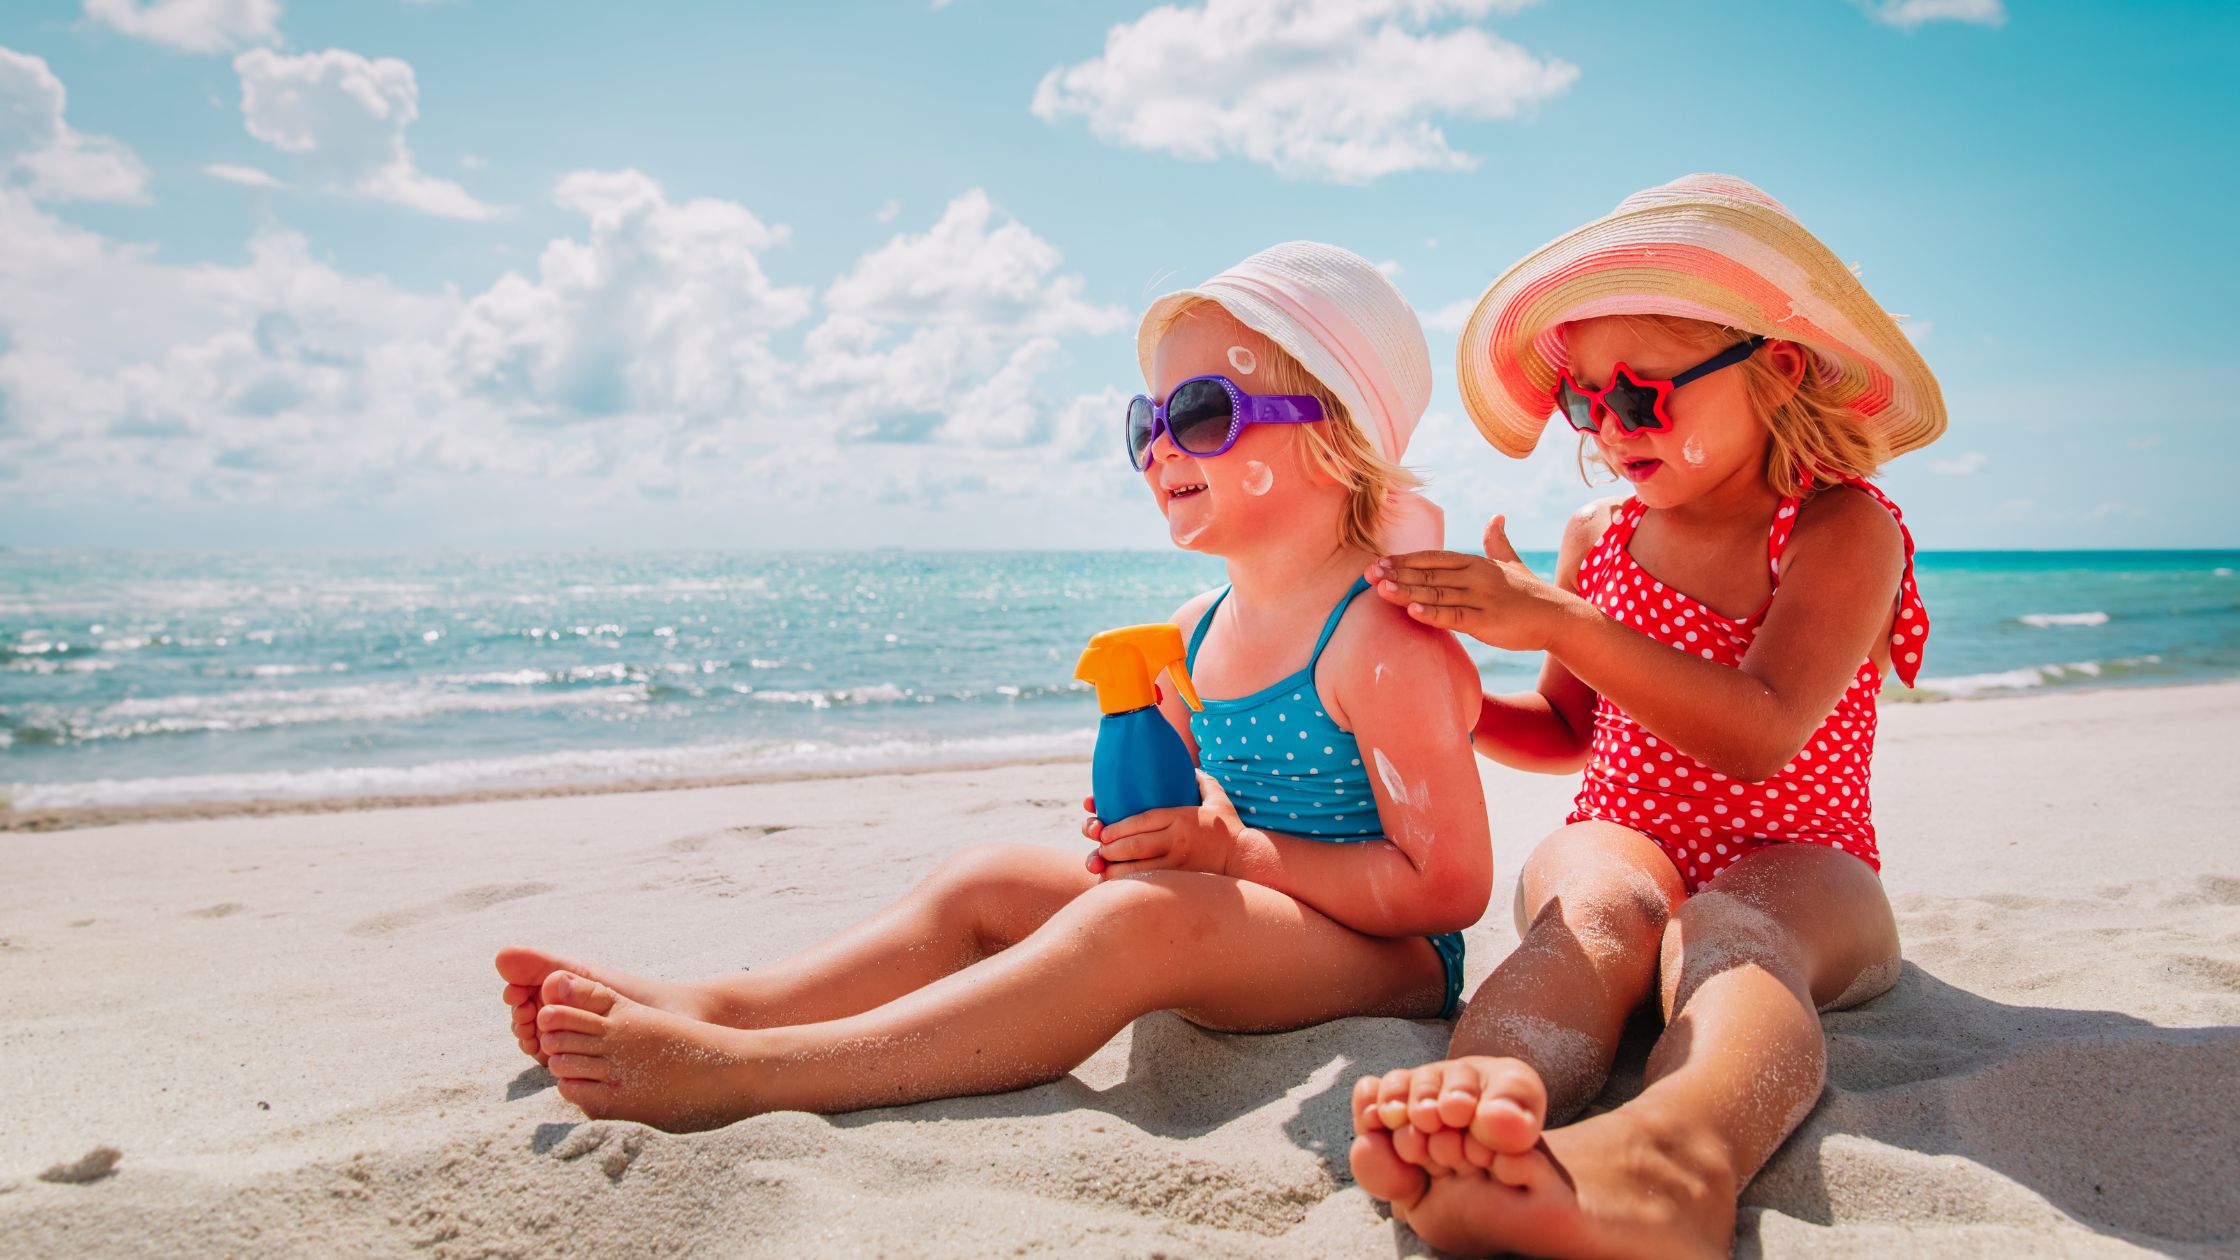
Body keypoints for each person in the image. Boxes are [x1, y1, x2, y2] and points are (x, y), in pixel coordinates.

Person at [495, 242, 1493, 1131]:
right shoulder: (1192, 632)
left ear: (1336, 440)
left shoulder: (1376, 645)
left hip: (1385, 961)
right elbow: (1206, 813)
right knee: (985, 881)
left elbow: (1444, 889)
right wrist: (1159, 828)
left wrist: (1231, 851)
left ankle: (761, 1073)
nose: (1158, 447)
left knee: (1132, 924)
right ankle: (723, 1009)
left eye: (1198, 413)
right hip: (1234, 922)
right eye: (1145, 419)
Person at [1348, 174, 1944, 1258]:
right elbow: (1571, 730)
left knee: (1731, 929)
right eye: (1585, 400)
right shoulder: (1599, 538)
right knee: (1598, 904)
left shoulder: (1840, 530)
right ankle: (1487, 1089)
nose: (1607, 426)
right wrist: (1457, 697)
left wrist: (1559, 620)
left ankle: (1676, 1154)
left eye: (1639, 394)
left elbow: (1760, 730)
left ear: (1777, 366)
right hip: (1626, 825)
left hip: (1802, 857)